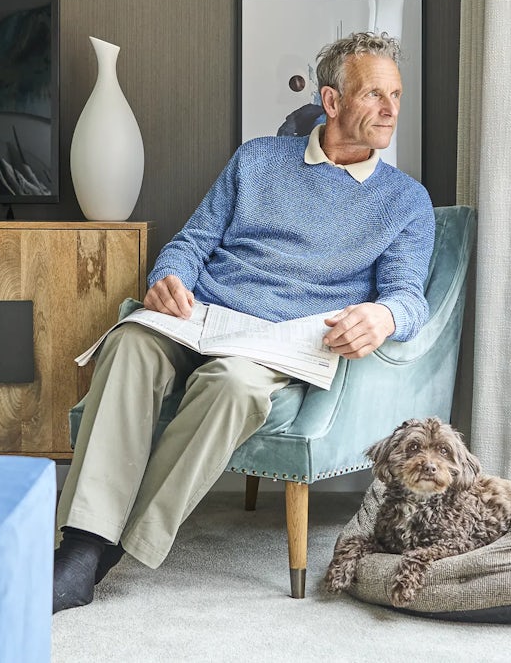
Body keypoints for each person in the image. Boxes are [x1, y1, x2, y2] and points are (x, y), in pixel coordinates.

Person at [52, 31, 435, 612]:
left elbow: (410, 298)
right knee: (129, 341)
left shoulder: (405, 200)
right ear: (331, 102)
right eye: (374, 95)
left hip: (285, 343)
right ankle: (81, 540)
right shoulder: (257, 159)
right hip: (203, 315)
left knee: (232, 385)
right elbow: (192, 243)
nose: (390, 110)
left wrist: (383, 316)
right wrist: (169, 279)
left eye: (397, 96)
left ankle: (104, 551)